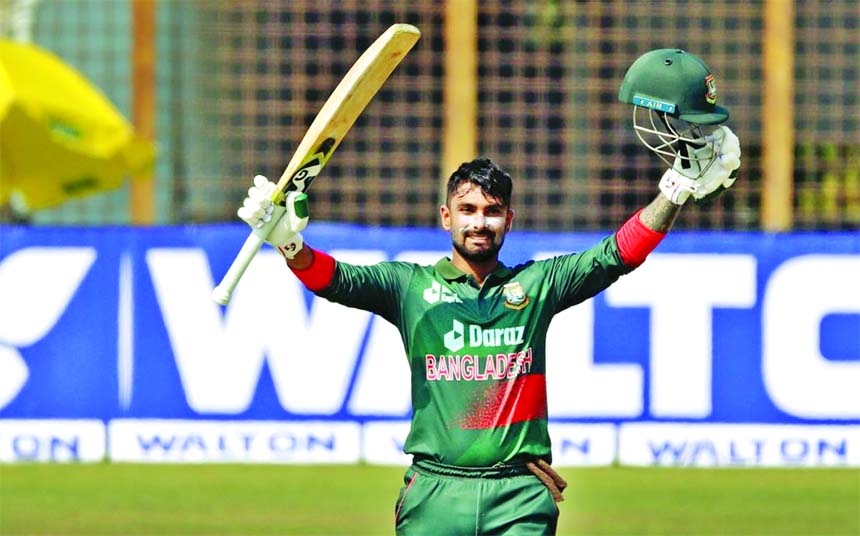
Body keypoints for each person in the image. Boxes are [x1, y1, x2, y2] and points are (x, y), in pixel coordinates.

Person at [235, 48, 740, 535]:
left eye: (492, 211)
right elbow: (338, 280)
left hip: (518, 496)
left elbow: (617, 255)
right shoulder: (411, 286)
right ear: (446, 217)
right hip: (436, 492)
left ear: (509, 220)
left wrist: (674, 190)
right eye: (469, 210)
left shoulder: (536, 286)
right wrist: (290, 243)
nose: (480, 222)